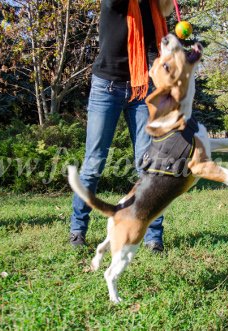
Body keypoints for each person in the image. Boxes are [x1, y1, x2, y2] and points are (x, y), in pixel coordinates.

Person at [69, 0, 172, 253]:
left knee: (147, 165)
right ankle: (78, 230)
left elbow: (151, 49)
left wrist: (159, 71)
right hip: (107, 87)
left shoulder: (152, 8)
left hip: (142, 89)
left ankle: (152, 235)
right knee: (93, 164)